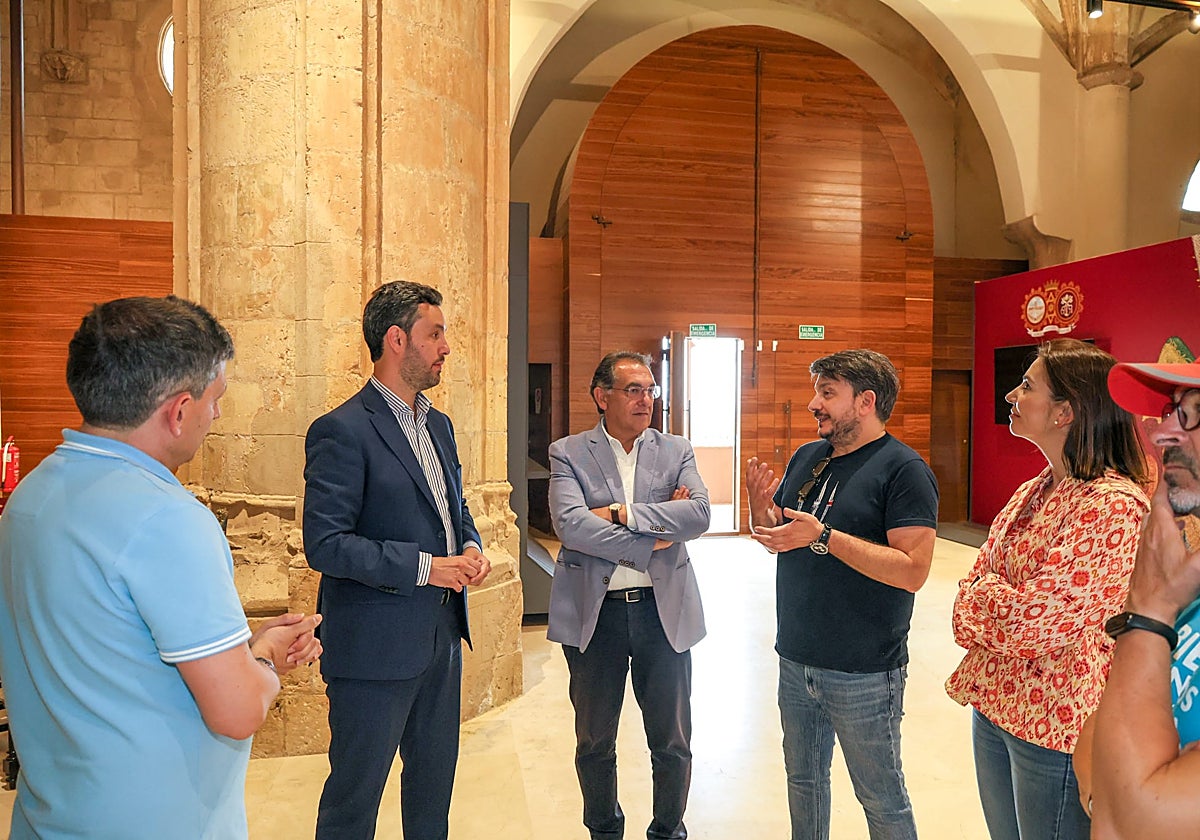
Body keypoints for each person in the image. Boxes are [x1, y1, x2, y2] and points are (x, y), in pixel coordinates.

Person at [0, 296, 322, 840]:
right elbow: (238, 712)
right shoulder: (168, 519)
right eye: (214, 399)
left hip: (49, 817)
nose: (216, 415)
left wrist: (234, 659)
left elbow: (111, 658)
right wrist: (264, 658)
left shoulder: (30, 495)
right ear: (178, 411)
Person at [303, 280, 490, 840]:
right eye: (435, 334)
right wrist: (427, 567)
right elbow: (326, 544)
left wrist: (472, 545)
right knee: (352, 806)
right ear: (395, 340)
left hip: (441, 641)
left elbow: (453, 508)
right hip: (371, 650)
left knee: (432, 798)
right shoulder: (341, 430)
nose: (446, 347)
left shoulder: (439, 424)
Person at [945, 338, 1149, 840]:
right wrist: (996, 600)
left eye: (1027, 386)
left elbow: (1034, 623)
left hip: (1055, 725)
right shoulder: (1033, 490)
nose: (1012, 395)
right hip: (995, 703)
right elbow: (967, 593)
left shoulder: (1112, 506)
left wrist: (991, 598)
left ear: (1065, 412)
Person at [747, 348, 938, 840]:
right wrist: (760, 509)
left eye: (827, 393)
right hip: (797, 659)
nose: (814, 403)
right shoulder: (809, 457)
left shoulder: (904, 470)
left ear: (865, 401)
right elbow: (783, 535)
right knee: (804, 784)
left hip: (865, 671)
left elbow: (913, 571)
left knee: (881, 798)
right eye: (817, 391)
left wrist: (826, 537)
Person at [547, 350, 711, 840]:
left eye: (651, 390)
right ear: (602, 396)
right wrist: (657, 532)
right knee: (595, 741)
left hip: (665, 615)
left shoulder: (676, 449)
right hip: (595, 618)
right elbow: (570, 525)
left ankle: (667, 831)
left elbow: (699, 514)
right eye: (634, 390)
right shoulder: (568, 452)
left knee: (672, 741)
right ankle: (604, 830)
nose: (647, 400)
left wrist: (619, 513)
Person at [1084, 358, 1200, 839]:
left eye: (1193, 412)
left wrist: (1149, 614)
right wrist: (1118, 786)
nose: (1161, 435)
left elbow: (1138, 822)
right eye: (1171, 411)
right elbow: (1094, 733)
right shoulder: (1187, 586)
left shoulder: (1167, 597)